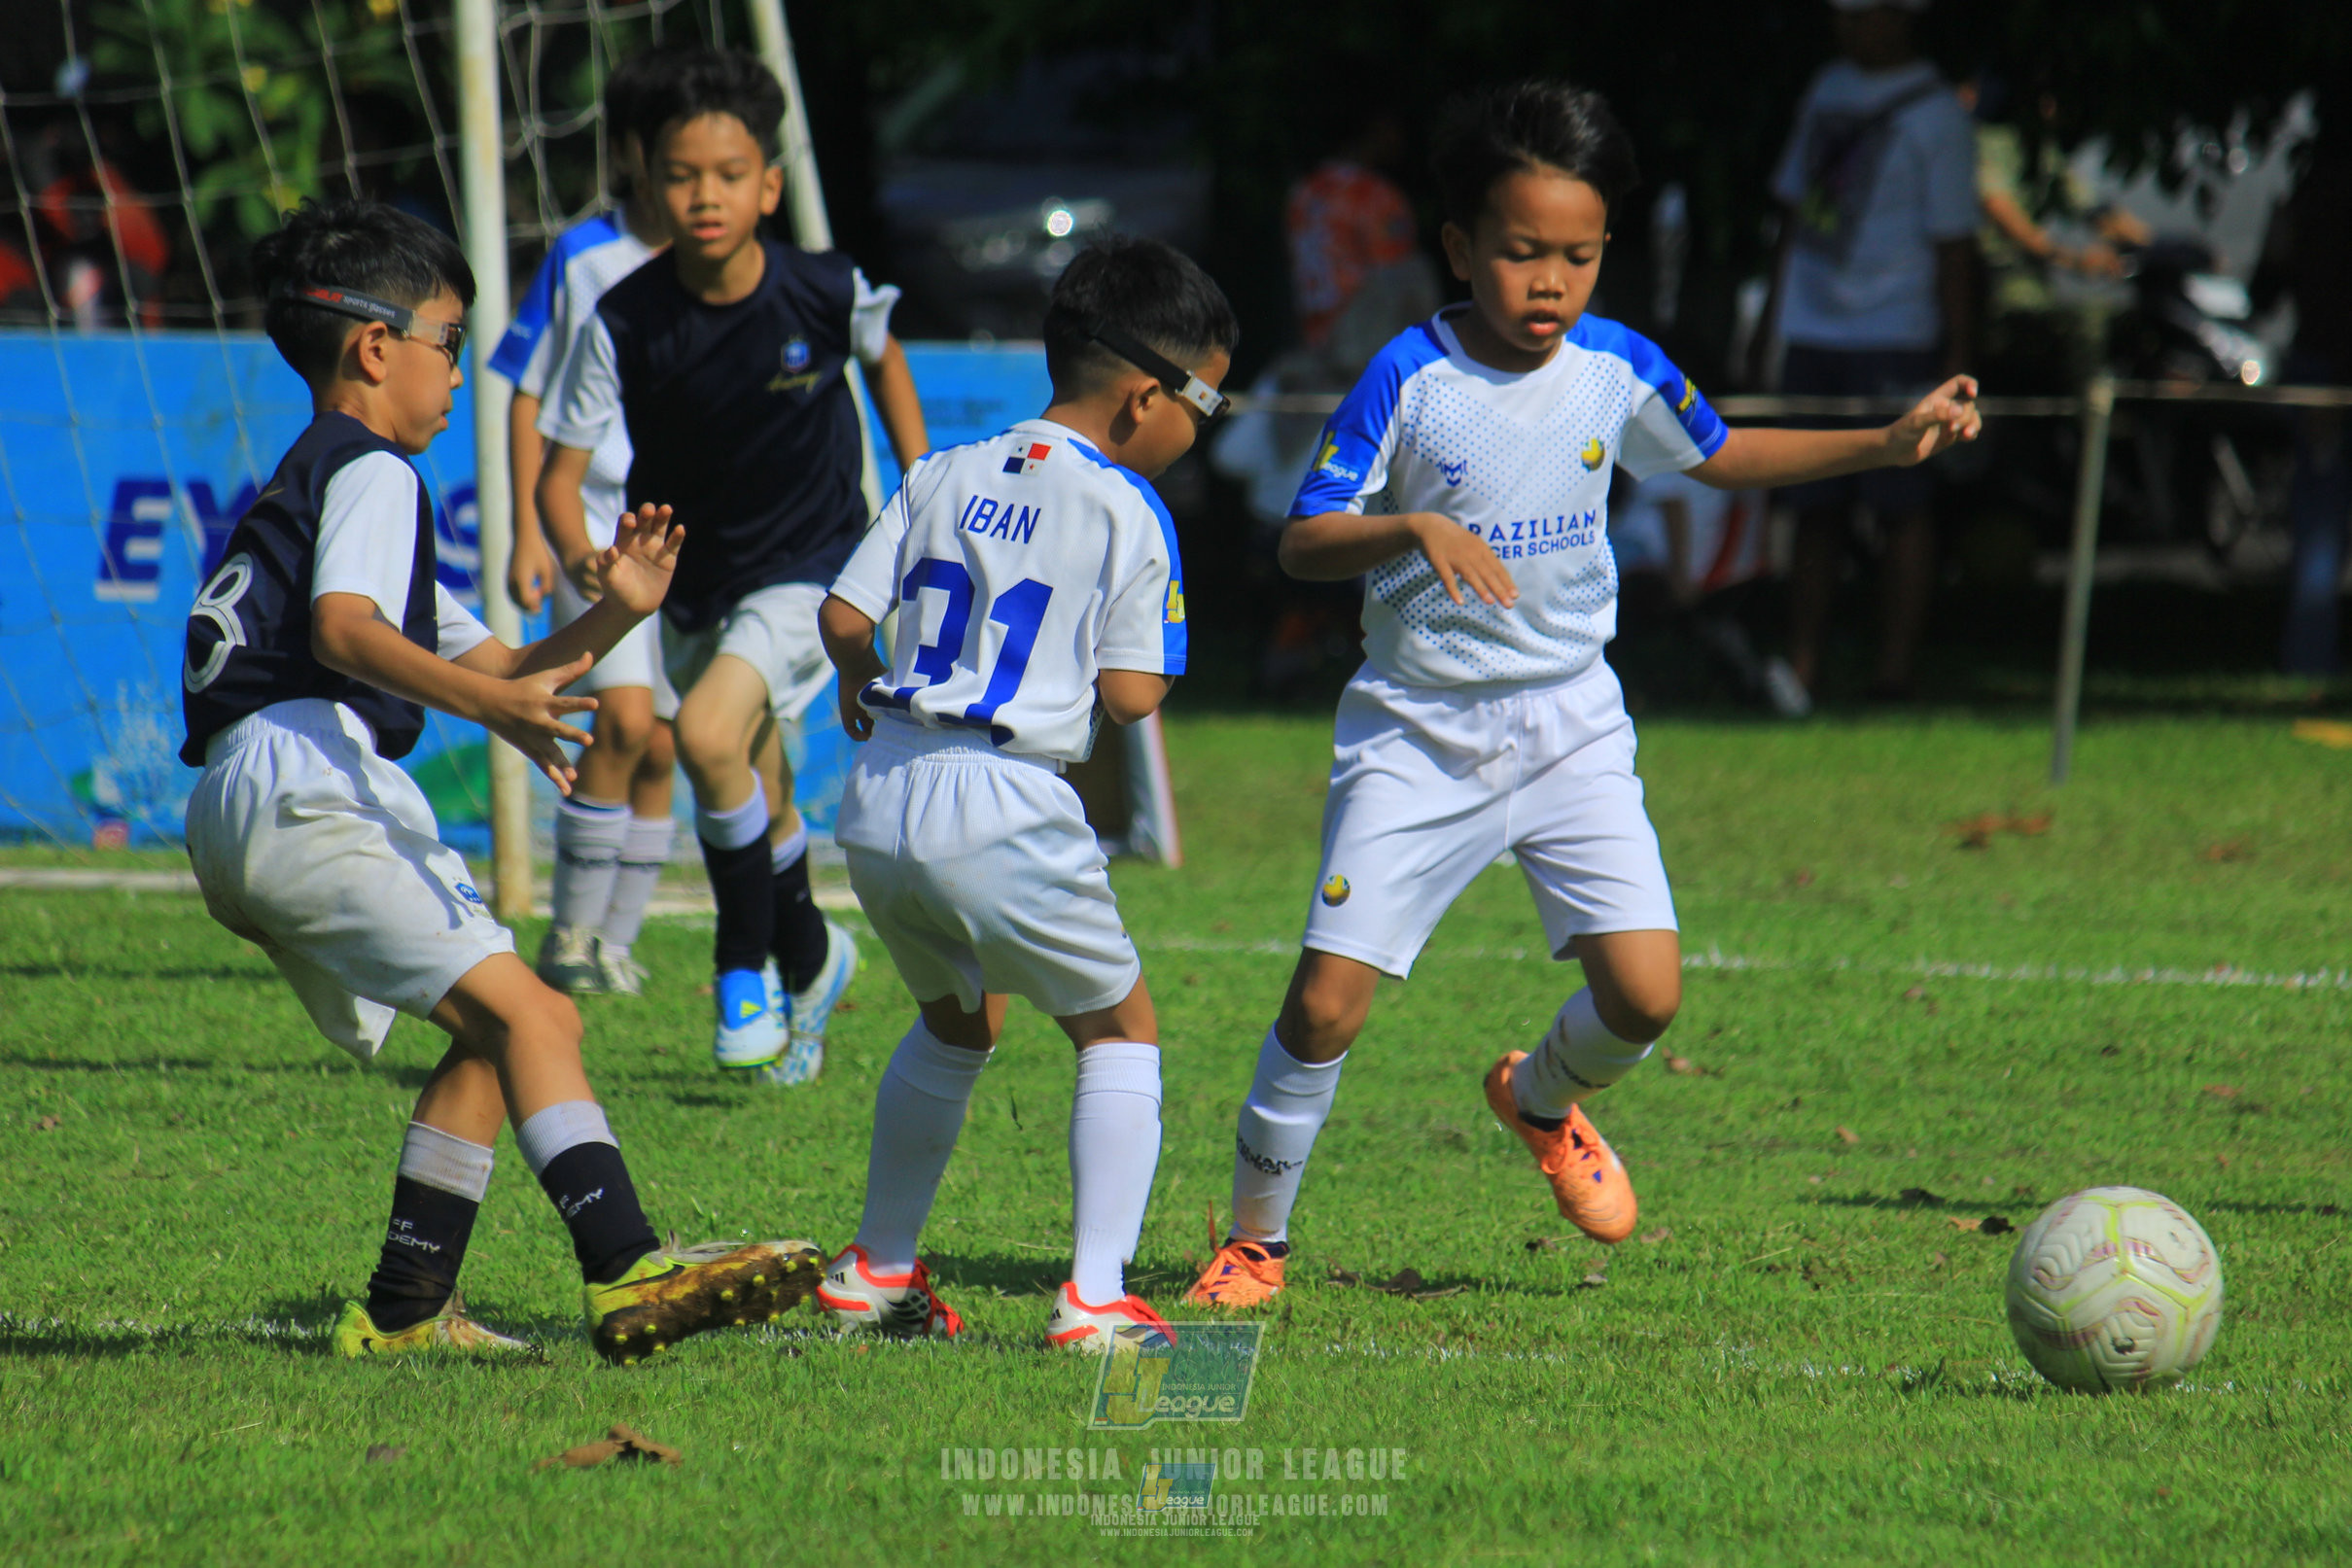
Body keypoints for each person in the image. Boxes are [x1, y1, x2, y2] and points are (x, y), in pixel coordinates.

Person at [1183, 81, 1980, 1309]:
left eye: (1578, 255)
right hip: (1420, 731)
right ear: (1459, 247)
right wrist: (1410, 527)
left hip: (1571, 722)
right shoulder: (1410, 373)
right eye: (1520, 252)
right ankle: (1254, 1238)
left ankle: (1539, 1098)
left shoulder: (1618, 368)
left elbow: (1721, 456)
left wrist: (1880, 443)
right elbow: (1303, 539)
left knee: (1646, 995)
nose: (1550, 280)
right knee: (1325, 1006)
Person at [178, 198, 822, 1363]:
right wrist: (491, 707)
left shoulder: (319, 481)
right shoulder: (372, 474)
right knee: (533, 1012)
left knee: (507, 1027)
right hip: (306, 775)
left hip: (252, 792)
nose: (463, 376)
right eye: (449, 343)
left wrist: (614, 612)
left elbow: (503, 663)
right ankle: (628, 1270)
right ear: (377, 348)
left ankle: (404, 1309)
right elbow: (343, 633)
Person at [811, 235, 1234, 1352]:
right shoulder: (1128, 508)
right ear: (1147, 395)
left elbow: (845, 619)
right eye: (1207, 399)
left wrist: (862, 687)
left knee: (958, 1020)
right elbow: (1134, 695)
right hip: (1003, 796)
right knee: (1120, 1029)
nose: (1205, 424)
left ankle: (876, 1268)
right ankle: (1094, 1295)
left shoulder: (942, 470)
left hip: (884, 789)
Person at [541, 48, 930, 1083]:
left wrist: (917, 482)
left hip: (814, 565)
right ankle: (814, 953)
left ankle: (741, 967)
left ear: (768, 183)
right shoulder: (621, 320)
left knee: (706, 732)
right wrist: (579, 549)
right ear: (648, 183)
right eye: (680, 174)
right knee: (758, 779)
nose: (703, 195)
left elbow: (885, 356)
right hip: (691, 585)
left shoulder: (823, 288)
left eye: (726, 174)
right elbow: (558, 472)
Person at [493, 48, 681, 997]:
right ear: (638, 153)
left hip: (686, 535)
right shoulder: (584, 256)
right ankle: (567, 935)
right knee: (626, 718)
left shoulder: (726, 267)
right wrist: (538, 532)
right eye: (675, 157)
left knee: (661, 742)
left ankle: (613, 939)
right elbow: (527, 391)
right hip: (599, 526)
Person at [1758, 0, 1977, 702]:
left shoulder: (1938, 112)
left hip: (1897, 335)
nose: (1849, 27)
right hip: (1813, 329)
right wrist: (1771, 318)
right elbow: (1792, 216)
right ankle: (1801, 666)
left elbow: (1953, 247)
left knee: (1902, 506)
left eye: (1864, 14)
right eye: (1841, 14)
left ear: (1903, 16)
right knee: (1811, 506)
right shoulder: (1826, 88)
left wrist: (1958, 354)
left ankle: (1893, 671)